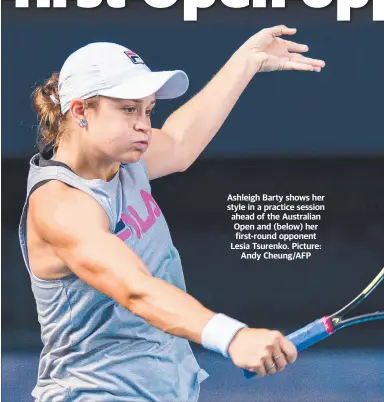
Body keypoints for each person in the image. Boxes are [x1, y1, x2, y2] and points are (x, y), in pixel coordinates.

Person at [18, 25, 325, 401]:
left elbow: (180, 143)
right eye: (129, 109)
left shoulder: (123, 157)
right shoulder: (61, 204)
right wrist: (233, 336)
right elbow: (137, 290)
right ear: (81, 110)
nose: (144, 125)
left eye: (148, 110)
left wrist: (246, 62)